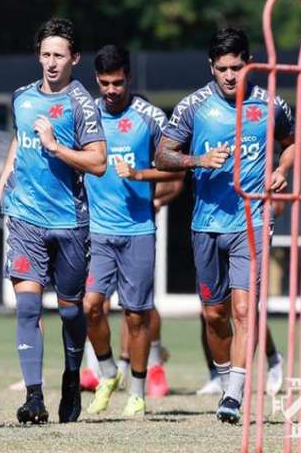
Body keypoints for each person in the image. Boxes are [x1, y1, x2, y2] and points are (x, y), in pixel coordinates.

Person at [155, 27, 295, 424]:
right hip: (205, 223)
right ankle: (224, 377)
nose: (230, 76)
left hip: (251, 219)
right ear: (211, 68)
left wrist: (282, 170)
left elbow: (293, 142)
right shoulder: (193, 106)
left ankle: (233, 396)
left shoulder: (270, 105)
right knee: (214, 315)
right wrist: (198, 161)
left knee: (243, 308)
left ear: (248, 64)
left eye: (237, 67)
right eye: (223, 69)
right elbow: (163, 154)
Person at [0, 17, 107, 424]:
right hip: (24, 218)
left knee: (71, 311)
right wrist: (2, 184)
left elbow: (99, 162)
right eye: (46, 55)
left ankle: (72, 378)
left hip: (69, 222)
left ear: (75, 59)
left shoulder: (81, 103)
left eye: (60, 55)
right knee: (27, 308)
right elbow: (20, 139)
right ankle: (33, 397)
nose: (52, 63)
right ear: (38, 56)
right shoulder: (22, 97)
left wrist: (55, 147)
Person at [81, 45, 184, 417]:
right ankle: (108, 373)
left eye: (118, 83)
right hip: (97, 230)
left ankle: (137, 391)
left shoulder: (150, 116)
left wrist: (141, 174)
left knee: (136, 315)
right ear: (97, 79)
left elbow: (176, 168)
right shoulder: (87, 113)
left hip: (138, 229)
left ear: (129, 78)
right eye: (105, 83)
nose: (111, 90)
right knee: (90, 306)